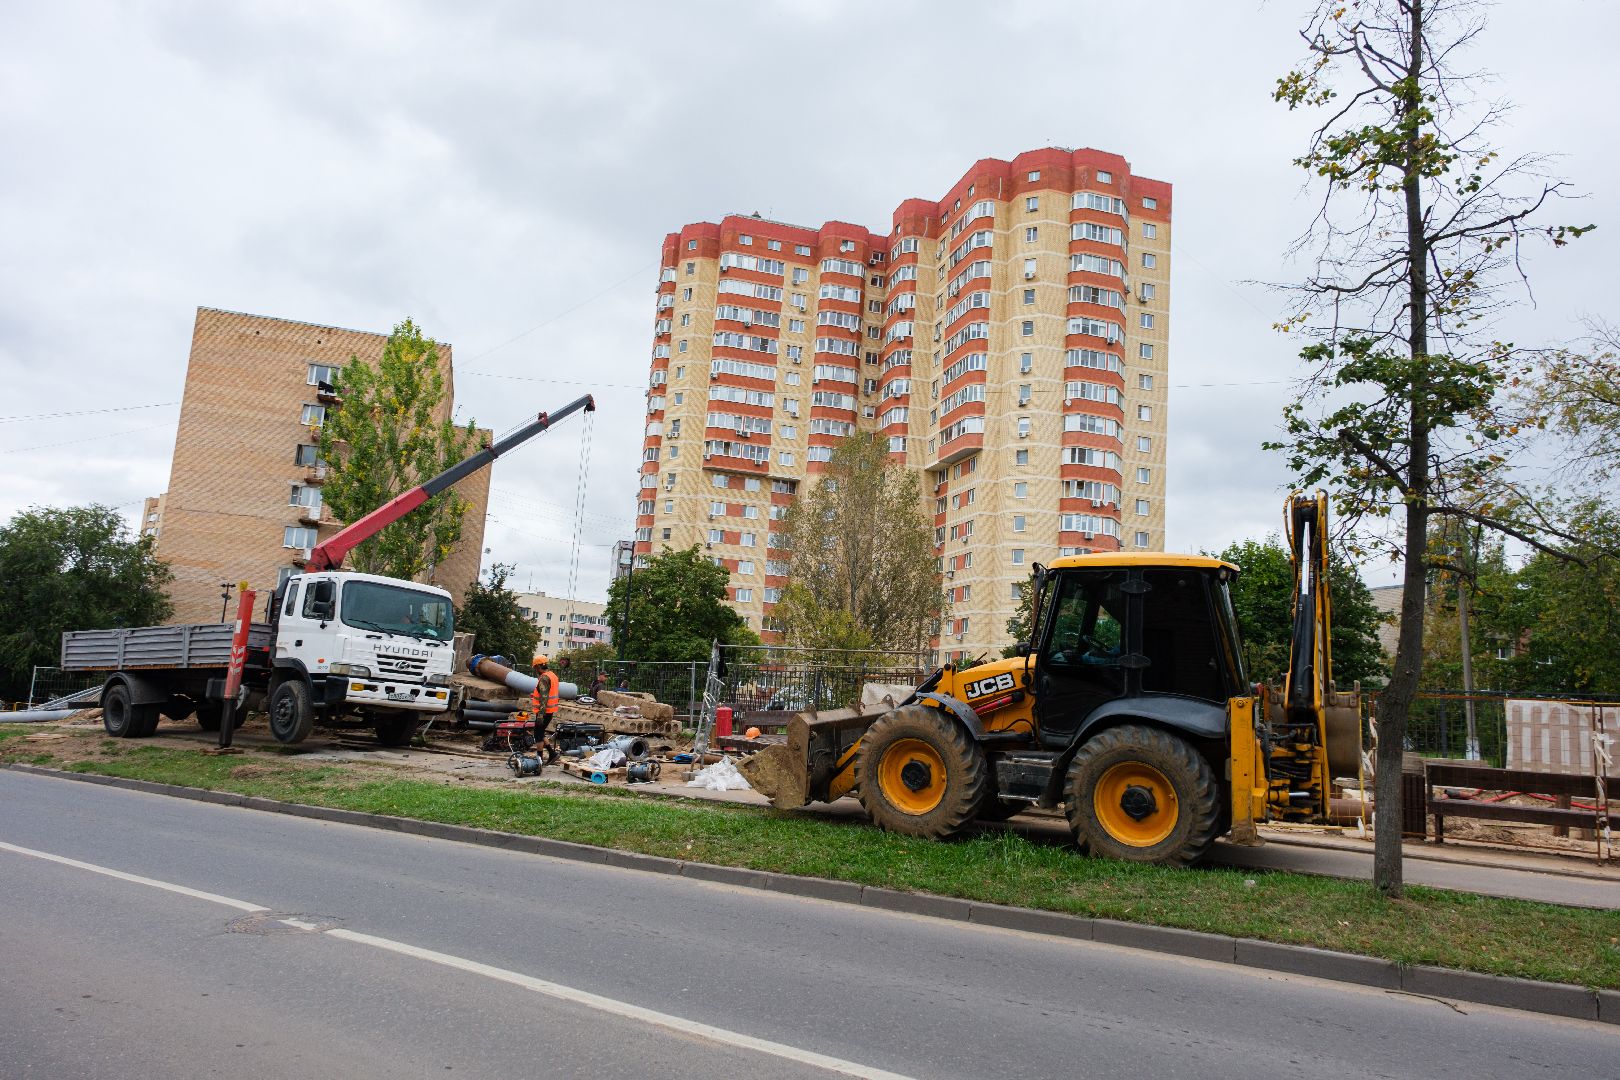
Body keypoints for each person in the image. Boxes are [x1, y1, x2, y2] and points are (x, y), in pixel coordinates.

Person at [531, 654, 560, 742]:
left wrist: (540, 715)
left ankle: (540, 751)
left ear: (538, 667)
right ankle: (550, 750)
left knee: (538, 735)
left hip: (544, 712)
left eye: (535, 668)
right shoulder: (553, 675)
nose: (535, 670)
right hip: (550, 711)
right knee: (540, 732)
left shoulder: (544, 678)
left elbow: (544, 698)